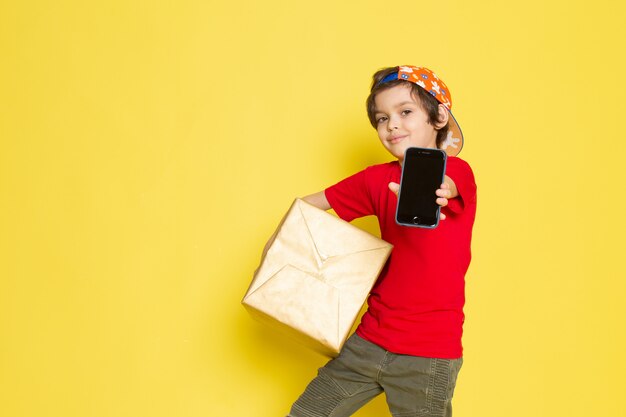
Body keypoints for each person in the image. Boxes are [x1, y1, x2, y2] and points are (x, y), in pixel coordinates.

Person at [287, 65, 477, 417]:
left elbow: (448, 186)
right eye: (381, 118)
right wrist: (293, 257)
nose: (391, 125)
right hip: (370, 340)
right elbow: (306, 207)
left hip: (428, 354)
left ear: (438, 117)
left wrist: (432, 191)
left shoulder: (457, 172)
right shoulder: (376, 180)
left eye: (405, 112)